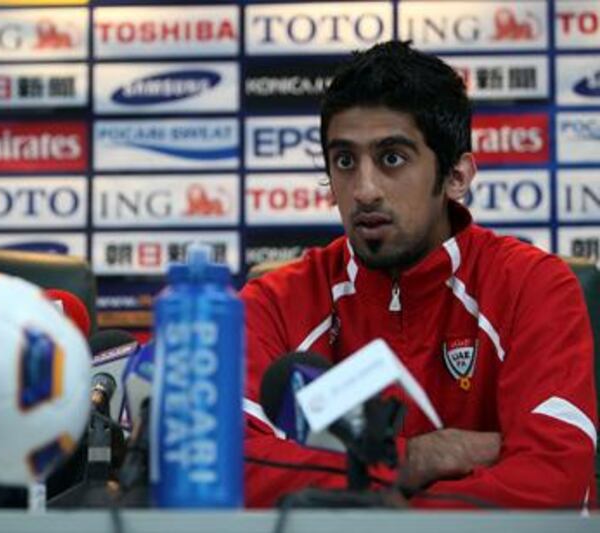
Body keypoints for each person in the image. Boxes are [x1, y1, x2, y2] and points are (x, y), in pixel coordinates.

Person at [241, 41, 597, 509]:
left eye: (392, 158)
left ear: (456, 176)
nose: (364, 190)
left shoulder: (533, 286)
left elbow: (554, 483)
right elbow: (217, 465)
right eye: (345, 161)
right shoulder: (273, 302)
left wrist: (371, 506)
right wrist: (410, 461)